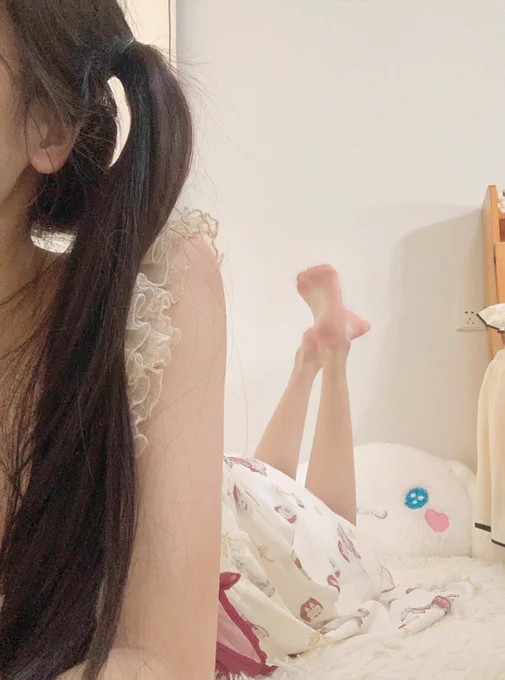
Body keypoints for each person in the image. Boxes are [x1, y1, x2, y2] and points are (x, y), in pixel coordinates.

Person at [0, 3, 473, 680]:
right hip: (216, 495)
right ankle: (315, 353)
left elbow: (166, 660)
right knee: (254, 479)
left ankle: (329, 357)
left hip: (241, 521)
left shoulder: (149, 288)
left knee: (330, 527)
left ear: (49, 126)